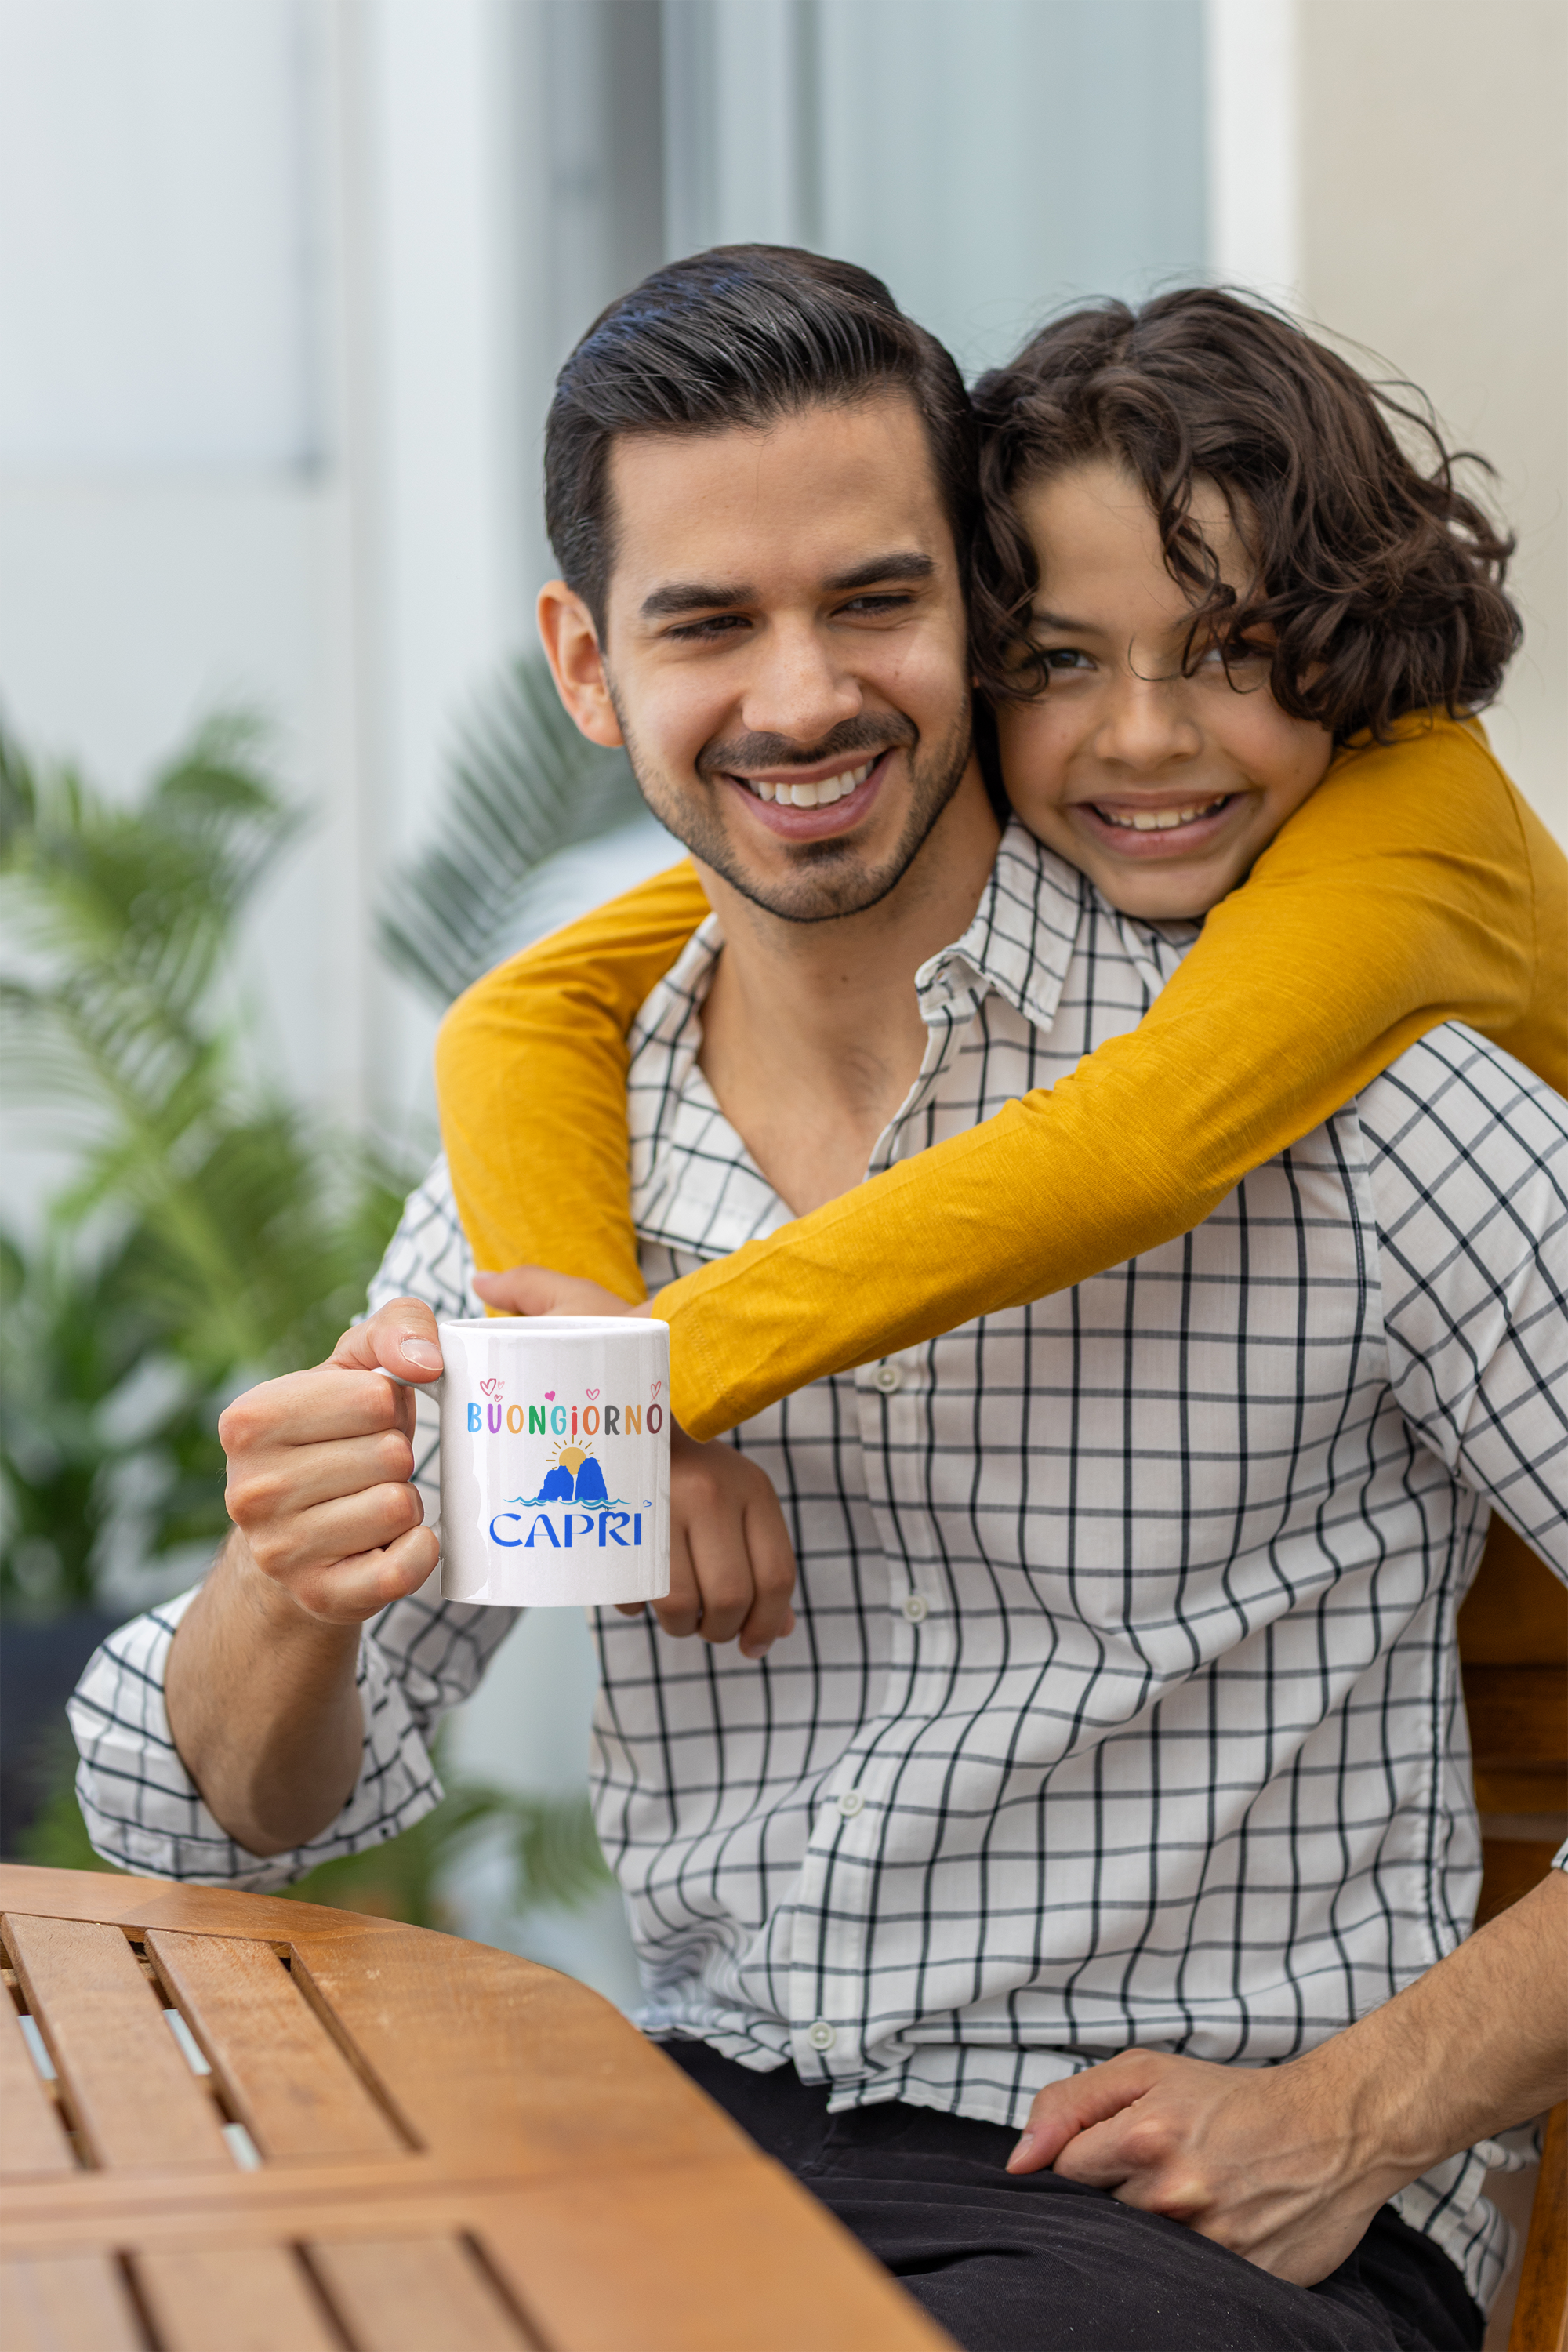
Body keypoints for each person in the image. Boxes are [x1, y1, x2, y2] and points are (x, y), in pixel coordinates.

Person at [71, 249, 1568, 2352]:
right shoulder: (564, 1157)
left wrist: (1362, 2112)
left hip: (1195, 2210)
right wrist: (287, 1597)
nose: (799, 699)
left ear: (970, 610)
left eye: (871, 601)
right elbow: (195, 1817)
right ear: (589, 669)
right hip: (696, 2155)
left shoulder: (1344, 1087)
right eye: (708, 623)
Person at [434, 292, 1567, 1447]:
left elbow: (1137, 1145)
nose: (1142, 737)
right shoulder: (943, 795)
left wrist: (646, 1382)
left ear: (1350, 624)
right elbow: (524, 1011)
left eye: (1235, 650)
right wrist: (572, 1349)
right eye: (1060, 657)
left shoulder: (1421, 814)